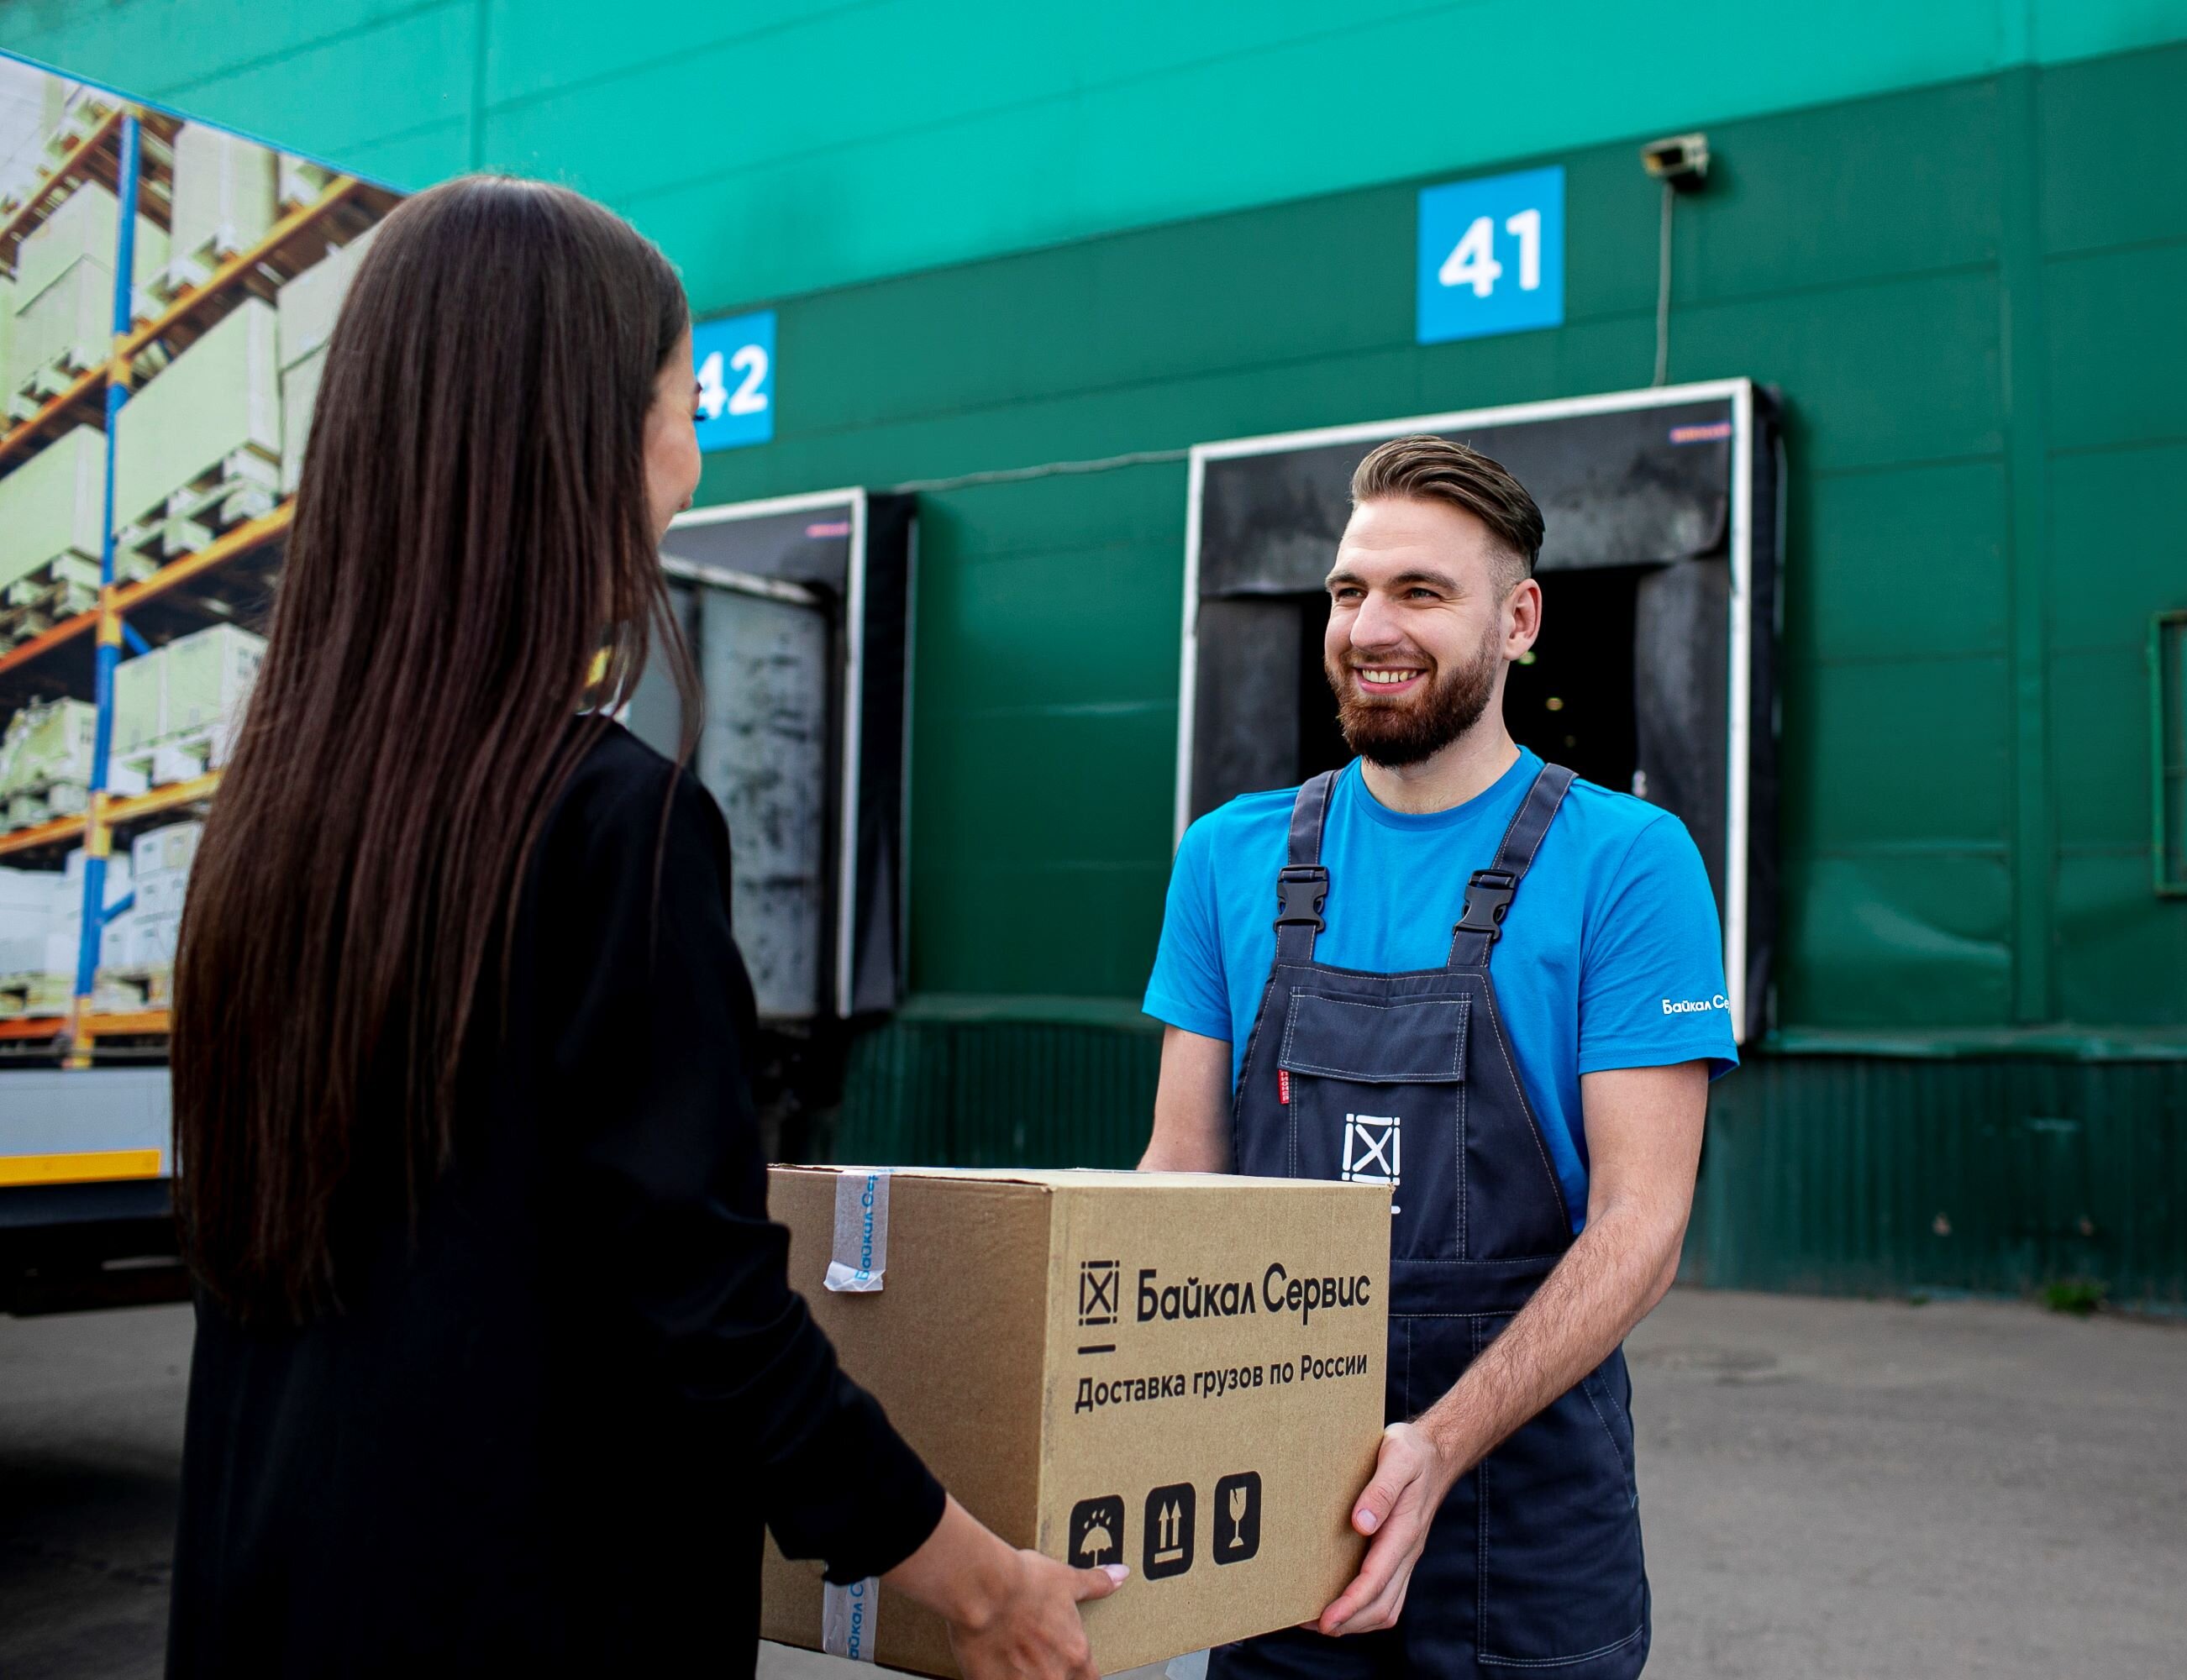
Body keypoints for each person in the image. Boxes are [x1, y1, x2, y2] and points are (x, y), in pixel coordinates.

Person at [166, 176, 1122, 1678]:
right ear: (581, 436)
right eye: (684, 401)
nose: (697, 454)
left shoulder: (275, 817)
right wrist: (983, 1581)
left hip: (275, 1597)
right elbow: (708, 1310)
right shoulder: (614, 821)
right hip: (525, 1619)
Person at [1138, 436, 1736, 1678]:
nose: (1371, 626)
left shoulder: (1628, 861)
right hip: (1275, 1510)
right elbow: (1178, 1179)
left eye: (1421, 592)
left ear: (1518, 620)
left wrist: (1438, 1444)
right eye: (1351, 591)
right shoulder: (1228, 857)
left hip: (1524, 1532)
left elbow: (1642, 1223)